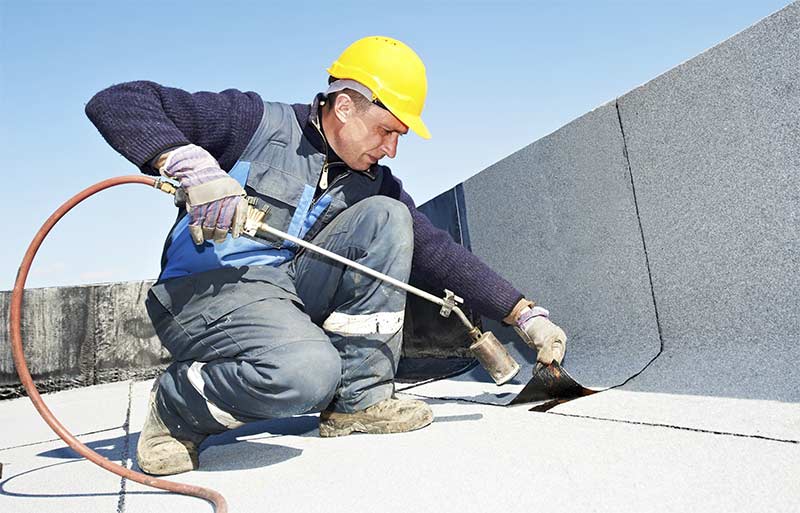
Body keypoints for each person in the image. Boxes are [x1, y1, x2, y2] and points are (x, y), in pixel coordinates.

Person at [86, 36, 567, 476]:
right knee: (307, 375)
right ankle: (176, 406)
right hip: (205, 290)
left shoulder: (371, 182)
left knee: (389, 217)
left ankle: (358, 402)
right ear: (345, 106)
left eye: (399, 137)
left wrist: (523, 314)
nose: (391, 149)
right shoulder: (253, 122)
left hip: (284, 290)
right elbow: (117, 101)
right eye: (386, 131)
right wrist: (190, 164)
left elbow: (438, 252)